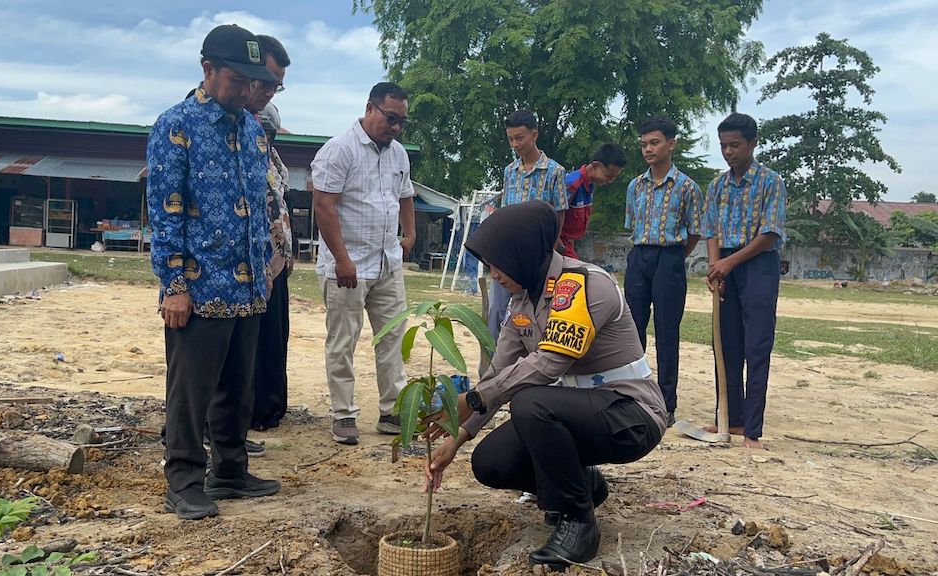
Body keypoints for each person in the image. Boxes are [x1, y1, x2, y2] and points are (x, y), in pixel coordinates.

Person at [424, 200, 667, 570]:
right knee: (490, 463)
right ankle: (584, 487)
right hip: (577, 415)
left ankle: (579, 524)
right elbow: (498, 374)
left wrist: (472, 399)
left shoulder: (584, 286)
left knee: (530, 403)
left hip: (630, 417)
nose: (492, 274)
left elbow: (548, 363)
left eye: (497, 262)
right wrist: (455, 439)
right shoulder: (521, 302)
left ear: (525, 252)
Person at [147, 24, 281, 520]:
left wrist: (265, 264)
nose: (247, 91)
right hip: (199, 288)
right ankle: (182, 478)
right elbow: (165, 212)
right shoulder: (175, 125)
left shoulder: (250, 129)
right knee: (190, 389)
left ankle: (230, 469)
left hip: (247, 284)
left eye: (252, 82)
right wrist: (174, 285)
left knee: (237, 385)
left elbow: (261, 204)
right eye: (236, 80)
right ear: (207, 70)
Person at [311, 81, 415, 445]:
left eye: (401, 121)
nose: (396, 127)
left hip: (388, 263)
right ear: (370, 108)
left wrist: (410, 235)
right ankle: (343, 414)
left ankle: (391, 411)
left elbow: (406, 195)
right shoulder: (339, 150)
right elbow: (323, 205)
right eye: (390, 118)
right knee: (343, 341)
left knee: (393, 341)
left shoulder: (399, 153)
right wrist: (342, 259)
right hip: (348, 265)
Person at [703, 113, 786, 450]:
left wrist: (729, 263)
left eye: (735, 145)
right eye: (723, 145)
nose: (728, 152)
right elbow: (709, 230)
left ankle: (752, 430)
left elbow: (769, 234)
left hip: (757, 265)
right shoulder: (717, 186)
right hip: (724, 267)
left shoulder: (770, 182)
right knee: (726, 344)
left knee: (756, 346)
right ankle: (731, 418)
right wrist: (714, 268)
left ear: (752, 143)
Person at [623, 117, 704, 426]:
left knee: (668, 333)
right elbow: (632, 225)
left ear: (671, 144)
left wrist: (675, 257)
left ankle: (666, 404)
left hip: (670, 258)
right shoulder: (635, 186)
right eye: (643, 144)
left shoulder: (687, 187)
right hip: (639, 257)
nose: (648, 149)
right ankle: (633, 396)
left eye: (654, 143)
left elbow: (695, 231)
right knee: (632, 330)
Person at [243, 34, 291, 432]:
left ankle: (261, 413)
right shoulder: (187, 126)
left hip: (271, 267)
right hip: (241, 268)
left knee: (268, 344)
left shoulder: (266, 153)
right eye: (268, 82)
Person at [487, 109, 568, 344]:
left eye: (520, 138)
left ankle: (535, 364)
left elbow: (560, 213)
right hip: (506, 253)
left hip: (537, 255)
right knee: (497, 311)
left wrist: (550, 247)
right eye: (511, 139)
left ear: (534, 134)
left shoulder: (555, 172)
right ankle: (493, 368)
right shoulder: (509, 171)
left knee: (537, 312)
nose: (515, 144)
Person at [559, 143, 628, 259]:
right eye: (608, 176)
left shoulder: (590, 186)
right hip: (558, 244)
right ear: (595, 166)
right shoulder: (571, 184)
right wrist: (558, 246)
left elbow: (571, 229)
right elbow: (552, 216)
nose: (610, 181)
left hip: (568, 244)